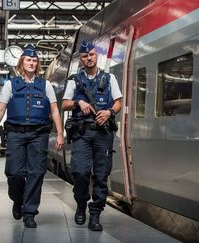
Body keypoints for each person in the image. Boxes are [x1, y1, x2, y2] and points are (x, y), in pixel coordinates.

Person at [0, 48, 64, 228]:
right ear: (22, 63)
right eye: (28, 60)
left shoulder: (45, 85)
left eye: (34, 60)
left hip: (39, 134)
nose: (32, 63)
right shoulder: (10, 85)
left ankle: (29, 212)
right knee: (14, 173)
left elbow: (54, 110)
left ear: (37, 64)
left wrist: (60, 134)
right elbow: (0, 109)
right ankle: (17, 199)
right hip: (16, 134)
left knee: (36, 173)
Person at [61, 41, 122, 231]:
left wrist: (110, 112)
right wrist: (78, 102)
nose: (89, 58)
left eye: (92, 55)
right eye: (85, 56)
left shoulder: (109, 78)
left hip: (103, 133)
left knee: (102, 175)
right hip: (82, 133)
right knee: (80, 172)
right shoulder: (74, 80)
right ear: (81, 58)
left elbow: (119, 102)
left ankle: (95, 213)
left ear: (97, 56)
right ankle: (81, 204)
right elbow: (64, 104)